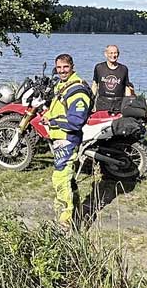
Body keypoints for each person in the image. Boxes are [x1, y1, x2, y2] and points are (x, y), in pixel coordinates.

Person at [46, 53, 91, 232]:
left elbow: (77, 120)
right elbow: (59, 109)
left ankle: (65, 223)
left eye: (65, 67)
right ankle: (76, 213)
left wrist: (54, 121)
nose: (62, 71)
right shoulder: (63, 85)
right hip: (60, 139)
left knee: (61, 179)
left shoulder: (77, 90)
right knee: (69, 178)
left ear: (72, 66)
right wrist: (48, 116)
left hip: (68, 139)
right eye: (59, 68)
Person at [91, 44, 133, 112]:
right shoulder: (99, 67)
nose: (113, 55)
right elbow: (94, 85)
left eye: (115, 53)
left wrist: (128, 104)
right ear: (105, 54)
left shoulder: (124, 69)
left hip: (118, 105)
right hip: (102, 104)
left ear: (118, 54)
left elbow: (127, 88)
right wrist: (91, 102)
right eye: (111, 53)